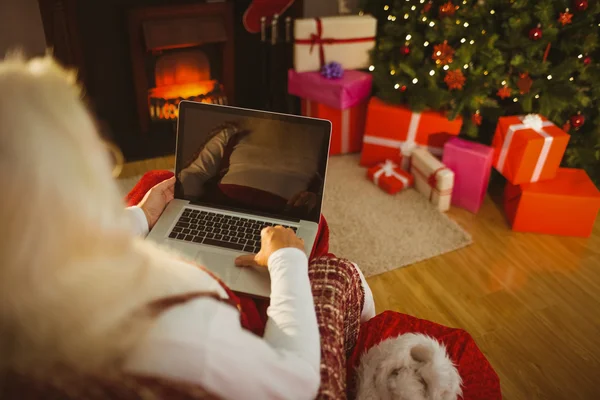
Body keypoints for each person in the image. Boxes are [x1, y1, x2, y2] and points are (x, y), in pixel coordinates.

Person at [0, 54, 374, 399]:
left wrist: (141, 217)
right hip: (255, 327)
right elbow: (296, 382)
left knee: (158, 182)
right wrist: (288, 261)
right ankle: (363, 335)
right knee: (332, 260)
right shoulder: (181, 332)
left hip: (270, 209)